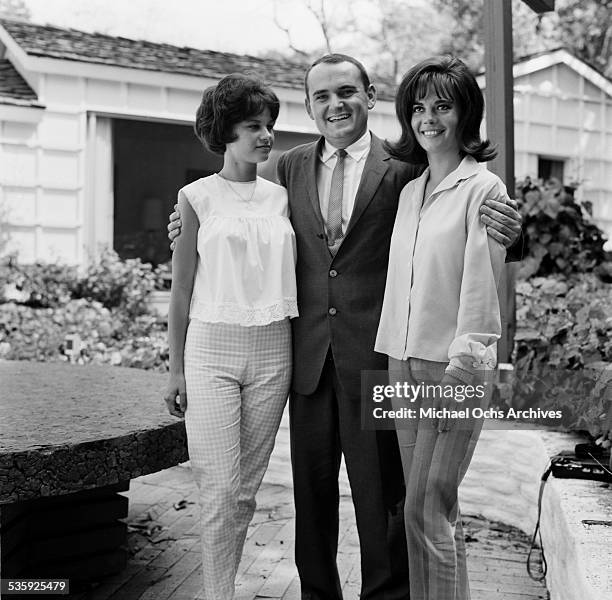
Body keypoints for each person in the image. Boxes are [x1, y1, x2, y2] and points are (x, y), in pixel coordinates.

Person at [168, 54, 522, 600]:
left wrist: (512, 229)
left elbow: (459, 219)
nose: (335, 105)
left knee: (381, 499)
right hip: (304, 360)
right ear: (310, 107)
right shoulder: (286, 167)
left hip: (378, 360)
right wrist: (186, 221)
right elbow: (235, 205)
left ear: (369, 95)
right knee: (310, 500)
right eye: (321, 96)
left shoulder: (406, 169)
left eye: (346, 92)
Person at [375, 55, 509, 600]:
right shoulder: (411, 192)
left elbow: (481, 289)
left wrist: (463, 368)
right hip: (400, 361)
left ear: (464, 114)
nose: (429, 118)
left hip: (452, 367)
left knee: (425, 509)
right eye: (418, 107)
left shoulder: (484, 188)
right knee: (430, 511)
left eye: (443, 106)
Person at [163, 73, 298, 600]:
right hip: (210, 350)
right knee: (219, 487)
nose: (264, 135)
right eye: (251, 126)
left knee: (244, 492)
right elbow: (180, 293)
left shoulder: (284, 198)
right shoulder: (195, 198)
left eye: (269, 126)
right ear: (224, 133)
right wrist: (174, 368)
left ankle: (224, 587)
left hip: (273, 351)